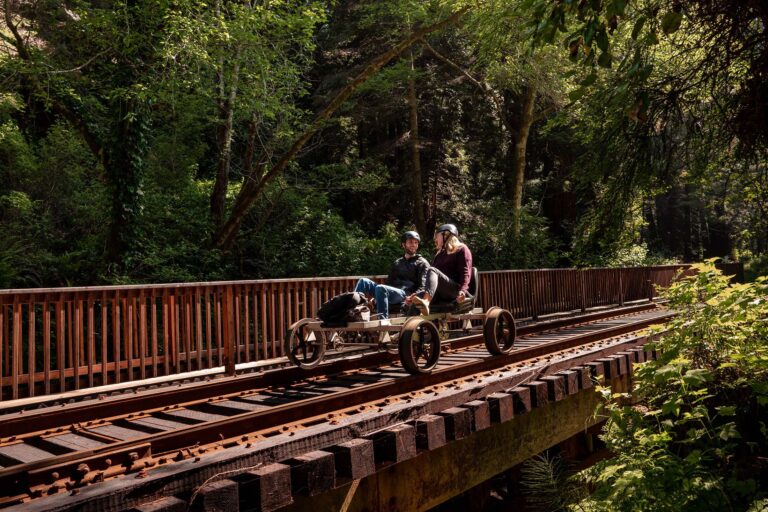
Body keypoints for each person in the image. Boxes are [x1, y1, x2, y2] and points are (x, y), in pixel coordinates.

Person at [354, 231, 430, 319]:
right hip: (391, 292)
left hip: (405, 294)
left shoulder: (422, 263)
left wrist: (413, 297)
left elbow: (424, 286)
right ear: (403, 244)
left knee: (380, 288)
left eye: (416, 242)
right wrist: (376, 296)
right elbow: (388, 283)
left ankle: (383, 322)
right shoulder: (397, 262)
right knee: (363, 281)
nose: (413, 245)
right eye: (410, 242)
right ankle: (351, 311)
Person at [407, 223, 472, 316]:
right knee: (415, 300)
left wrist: (463, 291)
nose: (435, 239)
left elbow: (466, 273)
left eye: (437, 236)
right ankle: (408, 328)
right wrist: (418, 294)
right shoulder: (440, 254)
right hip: (440, 292)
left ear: (446, 235)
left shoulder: (462, 249)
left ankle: (426, 301)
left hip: (455, 291)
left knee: (432, 270)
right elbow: (432, 280)